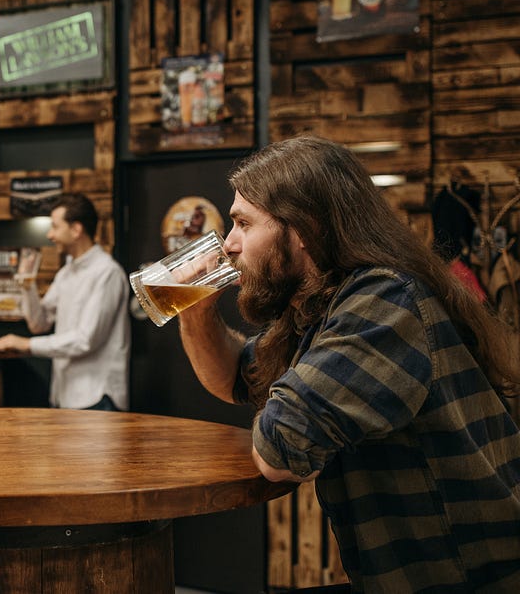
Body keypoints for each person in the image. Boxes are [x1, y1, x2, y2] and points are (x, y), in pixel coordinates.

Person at [177, 136, 520, 591]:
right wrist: (196, 310)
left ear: (303, 229)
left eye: (243, 223)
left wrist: (291, 407)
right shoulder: (321, 309)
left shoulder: (385, 303)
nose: (229, 245)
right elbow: (236, 378)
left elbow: (279, 451)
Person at [0, 193, 130, 411]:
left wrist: (26, 345)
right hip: (64, 396)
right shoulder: (66, 273)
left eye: (55, 226)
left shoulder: (107, 272)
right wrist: (27, 286)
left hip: (97, 398)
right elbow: (39, 324)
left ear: (76, 229)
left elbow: (86, 340)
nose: (49, 234)